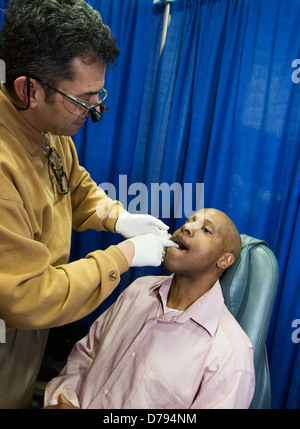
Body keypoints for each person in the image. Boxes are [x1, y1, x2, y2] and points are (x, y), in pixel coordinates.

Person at [0, 0, 177, 408]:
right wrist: (123, 256)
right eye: (82, 100)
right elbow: (27, 294)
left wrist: (119, 218)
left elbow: (73, 186)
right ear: (29, 89)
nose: (94, 111)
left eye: (99, 95)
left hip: (26, 344)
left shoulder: (45, 123)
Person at [44, 208, 255, 409]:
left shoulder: (231, 356)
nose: (187, 228)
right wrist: (64, 400)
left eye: (206, 230)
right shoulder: (138, 290)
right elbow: (86, 354)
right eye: (190, 221)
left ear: (224, 260)